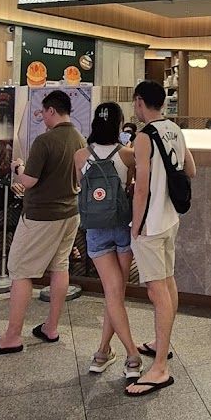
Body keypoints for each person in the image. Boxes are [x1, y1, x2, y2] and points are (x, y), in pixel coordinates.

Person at [0, 90, 84, 356]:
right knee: (60, 267)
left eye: (45, 113)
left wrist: (18, 169)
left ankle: (12, 336)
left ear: (51, 111)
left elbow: (29, 182)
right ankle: (51, 327)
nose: (43, 118)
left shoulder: (45, 141)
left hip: (41, 215)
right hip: (70, 212)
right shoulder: (79, 137)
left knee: (21, 271)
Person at [127, 80, 196, 397]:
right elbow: (190, 169)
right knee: (167, 283)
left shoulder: (143, 137)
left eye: (135, 103)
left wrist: (135, 226)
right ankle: (161, 343)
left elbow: (141, 188)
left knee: (157, 290)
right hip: (171, 219)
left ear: (141, 102)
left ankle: (160, 369)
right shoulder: (174, 129)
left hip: (152, 224)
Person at [74, 103, 141, 379]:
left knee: (112, 294)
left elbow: (78, 186)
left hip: (95, 230)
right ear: (118, 125)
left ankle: (102, 352)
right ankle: (133, 356)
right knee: (117, 293)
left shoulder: (80, 155)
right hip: (121, 227)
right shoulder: (128, 155)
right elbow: (134, 188)